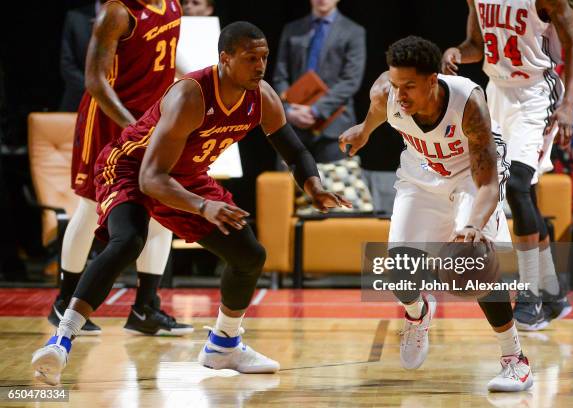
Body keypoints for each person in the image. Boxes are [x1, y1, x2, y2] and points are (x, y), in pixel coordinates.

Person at [31, 21, 350, 386]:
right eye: (251, 58)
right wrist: (202, 206)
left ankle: (224, 345)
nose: (260, 66)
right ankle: (62, 340)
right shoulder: (192, 95)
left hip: (184, 175)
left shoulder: (262, 97)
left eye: (264, 57)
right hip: (132, 168)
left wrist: (314, 186)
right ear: (225, 59)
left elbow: (294, 150)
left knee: (249, 255)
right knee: (129, 241)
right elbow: (150, 179)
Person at [339, 36, 532, 392]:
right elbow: (378, 112)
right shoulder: (386, 93)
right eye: (397, 85)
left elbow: (488, 182)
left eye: (409, 86)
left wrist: (473, 224)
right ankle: (418, 313)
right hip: (422, 173)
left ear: (433, 80)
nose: (401, 94)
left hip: (472, 175)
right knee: (398, 272)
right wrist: (363, 131)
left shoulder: (468, 102)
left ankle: (514, 359)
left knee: (472, 262)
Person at [51, 0, 192, 337]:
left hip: (152, 119)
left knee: (160, 209)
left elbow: (171, 58)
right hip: (108, 119)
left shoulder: (172, 5)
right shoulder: (117, 12)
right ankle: (64, 301)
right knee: (89, 208)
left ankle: (145, 308)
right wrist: (134, 131)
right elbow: (95, 82)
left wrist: (196, 84)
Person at [441, 0, 573, 330]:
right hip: (497, 92)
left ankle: (531, 293)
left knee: (517, 186)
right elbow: (477, 45)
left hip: (536, 93)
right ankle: (552, 292)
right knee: (521, 196)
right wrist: (457, 52)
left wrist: (570, 104)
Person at [272, 0, 366, 163]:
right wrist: (288, 111)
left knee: (334, 187)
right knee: (287, 186)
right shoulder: (292, 29)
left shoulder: (353, 31)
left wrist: (315, 110)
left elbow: (351, 80)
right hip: (293, 126)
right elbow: (280, 76)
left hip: (334, 128)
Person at [58, 1, 100, 112]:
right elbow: (67, 64)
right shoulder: (75, 18)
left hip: (120, 100)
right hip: (78, 100)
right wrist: (97, 91)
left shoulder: (133, 19)